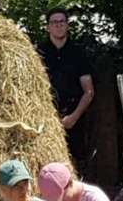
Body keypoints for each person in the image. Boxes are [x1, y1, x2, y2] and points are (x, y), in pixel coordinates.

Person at [37, 9, 97, 168]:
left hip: (74, 119)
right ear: (48, 27)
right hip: (46, 119)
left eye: (61, 22)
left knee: (75, 163)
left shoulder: (78, 53)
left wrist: (73, 117)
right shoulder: (38, 53)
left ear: (67, 25)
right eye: (54, 22)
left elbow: (89, 92)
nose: (58, 25)